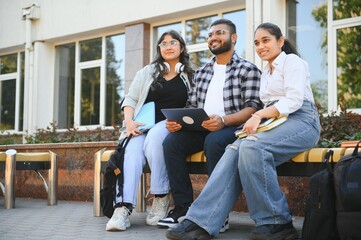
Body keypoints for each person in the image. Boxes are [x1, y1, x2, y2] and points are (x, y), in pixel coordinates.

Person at [166, 22, 321, 240]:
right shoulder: (267, 71)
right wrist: (261, 117)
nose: (261, 46)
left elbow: (294, 101)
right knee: (233, 149)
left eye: (266, 40)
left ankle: (276, 222)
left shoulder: (293, 62)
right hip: (275, 121)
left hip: (302, 120)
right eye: (257, 42)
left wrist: (258, 116)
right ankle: (201, 220)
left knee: (251, 146)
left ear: (280, 41)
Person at [157, 19, 263, 229]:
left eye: (220, 33)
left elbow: (253, 107)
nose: (213, 37)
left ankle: (218, 211)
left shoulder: (248, 69)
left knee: (214, 142)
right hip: (202, 128)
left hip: (233, 127)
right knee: (171, 143)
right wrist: (179, 123)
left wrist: (223, 121)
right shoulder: (202, 72)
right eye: (210, 34)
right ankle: (183, 207)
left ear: (233, 38)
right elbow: (191, 105)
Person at [105, 30, 193, 231]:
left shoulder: (190, 75)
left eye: (173, 42)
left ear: (181, 47)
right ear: (159, 49)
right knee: (132, 152)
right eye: (163, 44)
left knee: (155, 139)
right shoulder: (147, 72)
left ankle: (161, 197)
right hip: (141, 124)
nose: (168, 47)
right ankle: (123, 208)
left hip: (170, 125)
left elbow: (194, 106)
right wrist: (129, 122)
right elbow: (131, 99)